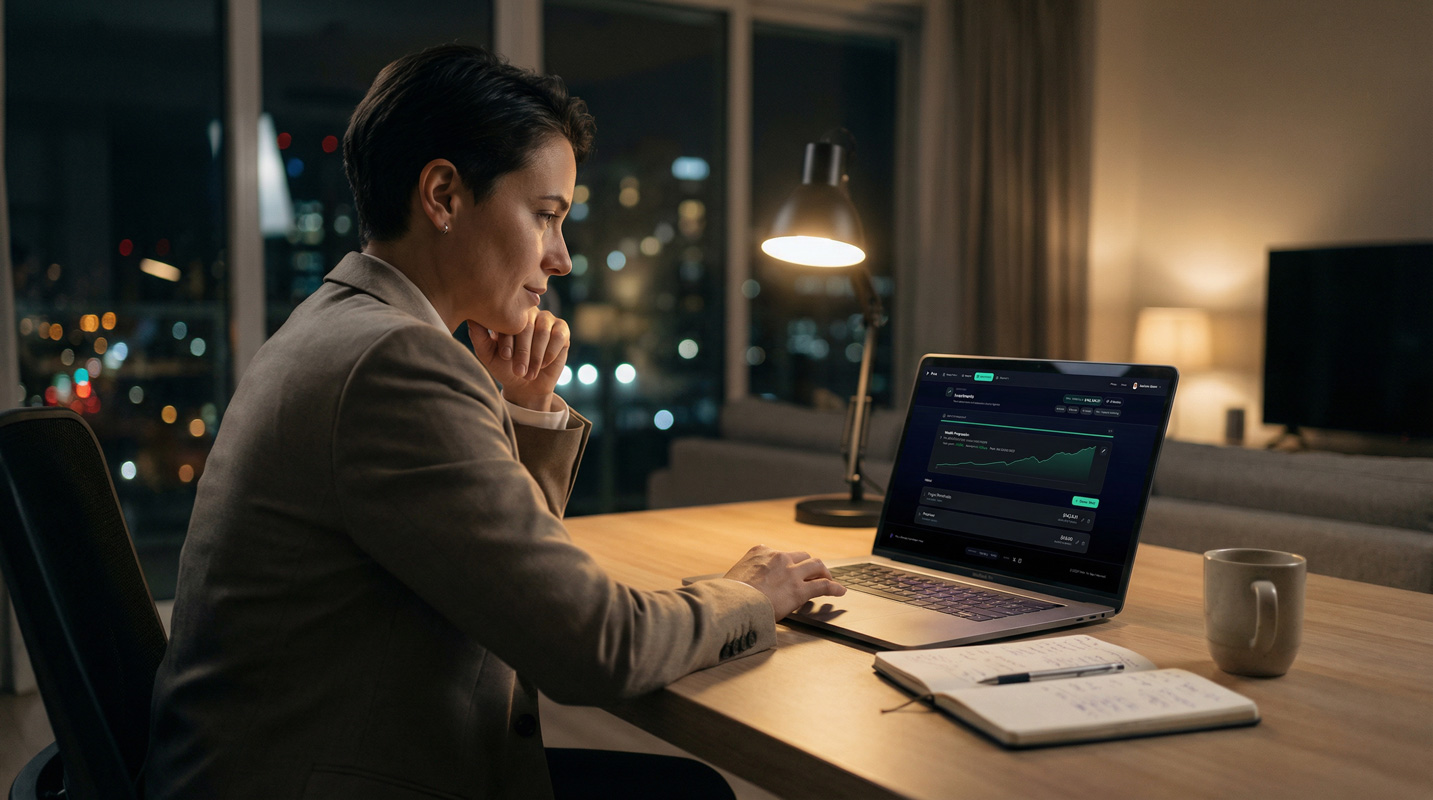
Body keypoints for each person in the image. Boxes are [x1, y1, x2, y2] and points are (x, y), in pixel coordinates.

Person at [145, 44, 846, 799]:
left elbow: (511, 589)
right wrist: (750, 595)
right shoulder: (396, 362)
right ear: (443, 195)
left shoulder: (335, 323)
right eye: (545, 216)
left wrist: (523, 409)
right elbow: (594, 646)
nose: (561, 258)